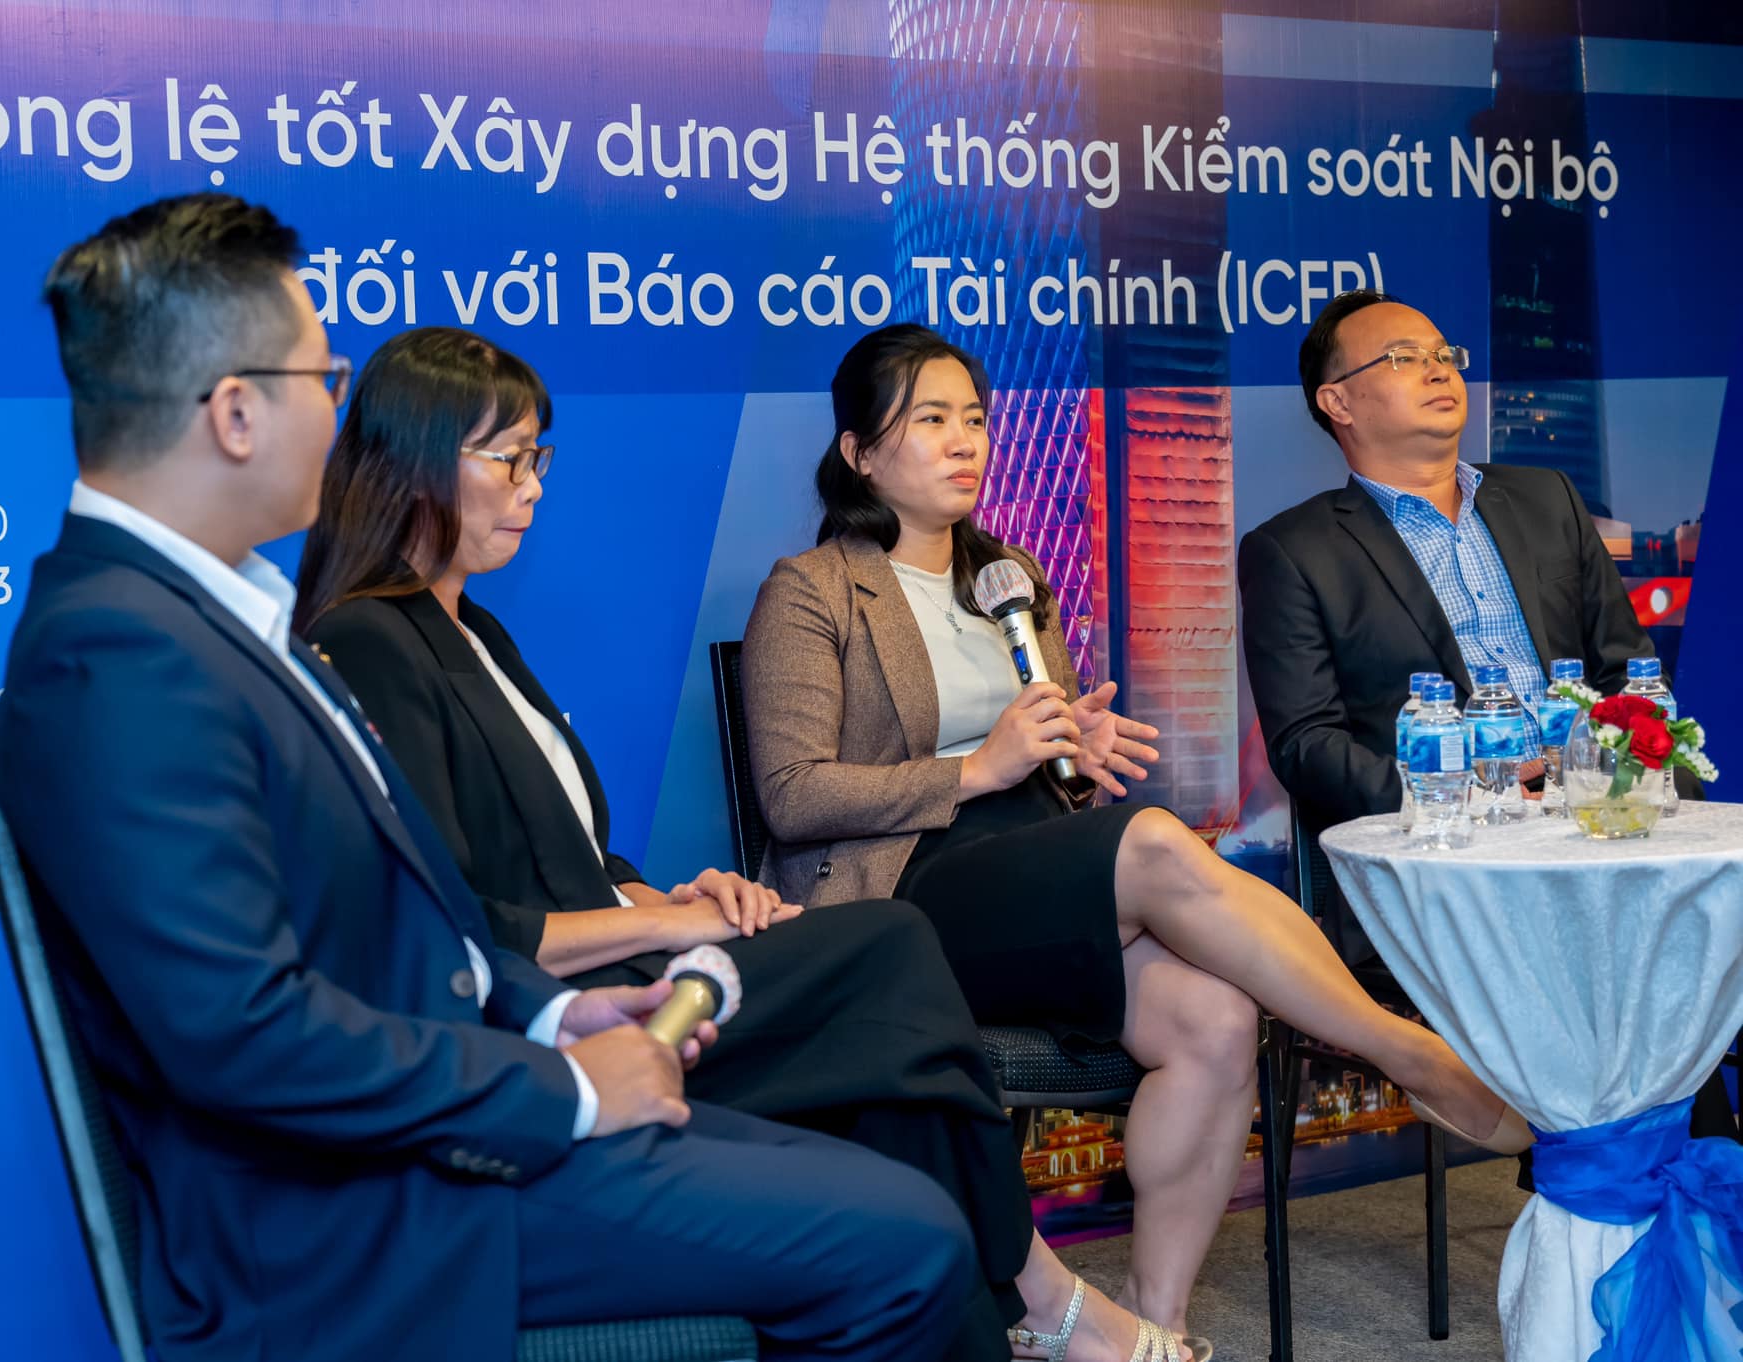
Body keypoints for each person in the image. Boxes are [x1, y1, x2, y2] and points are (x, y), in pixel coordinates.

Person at [0, 194, 981, 1362]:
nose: (338, 413)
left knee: (901, 1206)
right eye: (321, 378)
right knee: (901, 1242)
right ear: (236, 412)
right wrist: (565, 1091)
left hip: (432, 1132)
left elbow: (401, 928)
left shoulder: (208, 621)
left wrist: (553, 1012)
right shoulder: (116, 657)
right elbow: (246, 1035)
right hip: (359, 1215)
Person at [294, 326, 1201, 1362]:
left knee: (894, 1075)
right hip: (574, 1012)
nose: (533, 485)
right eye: (507, 459)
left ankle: (1007, 1319)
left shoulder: (475, 631)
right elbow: (459, 920)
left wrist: (675, 895)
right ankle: (1043, 1295)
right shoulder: (370, 638)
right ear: (413, 461)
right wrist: (665, 926)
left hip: (638, 954)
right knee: (886, 950)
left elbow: (572, 861)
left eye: (538, 457)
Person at [740, 321, 1533, 1346]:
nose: (963, 441)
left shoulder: (1009, 580)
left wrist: (1077, 746)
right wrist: (978, 767)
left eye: (973, 418)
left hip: (1026, 875)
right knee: (1155, 841)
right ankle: (1407, 1055)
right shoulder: (810, 590)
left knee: (1214, 1020)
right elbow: (792, 796)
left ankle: (1153, 1332)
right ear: (858, 451)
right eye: (930, 420)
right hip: (903, 895)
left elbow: (1051, 774)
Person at [1237, 288, 1734, 1139]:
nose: (1439, 370)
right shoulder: (1295, 550)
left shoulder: (1546, 500)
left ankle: (1641, 1181)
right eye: (1404, 358)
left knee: (1676, 946)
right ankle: (1645, 1183)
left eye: (1444, 354)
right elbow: (1307, 745)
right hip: (1453, 864)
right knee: (1609, 976)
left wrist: (1609, 779)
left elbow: (1627, 671)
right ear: (1339, 402)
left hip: (1599, 826)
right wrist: (1467, 793)